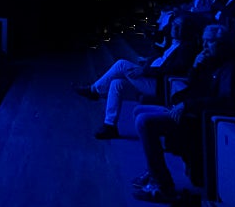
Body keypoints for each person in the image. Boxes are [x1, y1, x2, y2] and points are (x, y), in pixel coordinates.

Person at [130, 23, 235, 204]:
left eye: (210, 42)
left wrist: (188, 105)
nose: (205, 46)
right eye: (205, 42)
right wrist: (196, 66)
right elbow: (194, 86)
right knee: (139, 110)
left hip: (200, 119)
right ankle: (153, 172)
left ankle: (163, 186)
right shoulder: (210, 61)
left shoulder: (231, 67)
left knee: (144, 121)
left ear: (222, 43)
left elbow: (226, 101)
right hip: (189, 110)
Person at [75, 11, 201, 139]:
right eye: (174, 24)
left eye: (179, 25)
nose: (175, 27)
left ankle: (94, 90)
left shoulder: (187, 47)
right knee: (116, 84)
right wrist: (148, 62)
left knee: (121, 64)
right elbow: (162, 59)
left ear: (187, 29)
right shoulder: (173, 43)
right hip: (150, 78)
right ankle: (110, 126)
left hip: (159, 84)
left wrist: (145, 71)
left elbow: (175, 68)